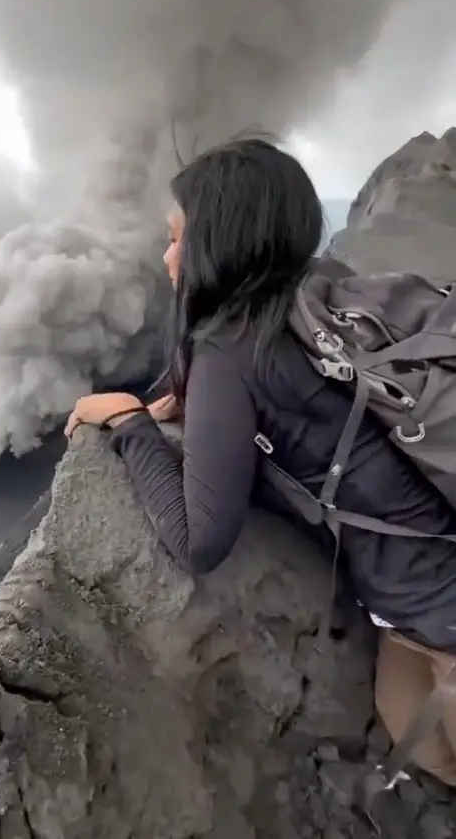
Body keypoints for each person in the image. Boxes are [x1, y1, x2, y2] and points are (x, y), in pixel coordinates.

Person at [65, 137, 456, 788]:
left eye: (175, 239)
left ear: (220, 243)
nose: (166, 258)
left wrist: (130, 423)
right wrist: (195, 400)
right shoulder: (312, 290)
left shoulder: (229, 354)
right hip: (415, 605)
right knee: (411, 729)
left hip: (438, 608)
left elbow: (199, 541)